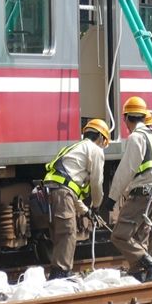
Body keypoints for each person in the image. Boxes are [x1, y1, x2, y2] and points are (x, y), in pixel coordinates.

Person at [99, 96, 152, 282]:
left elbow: (126, 169)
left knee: (120, 236)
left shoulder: (136, 138)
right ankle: (139, 272)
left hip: (141, 195)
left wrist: (112, 198)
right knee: (140, 236)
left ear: (127, 118)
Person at [41, 118, 109, 279]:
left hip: (51, 191)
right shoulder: (95, 150)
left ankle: (59, 269)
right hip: (61, 192)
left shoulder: (74, 148)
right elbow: (97, 183)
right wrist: (96, 206)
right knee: (68, 232)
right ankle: (61, 272)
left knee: (60, 232)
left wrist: (85, 211)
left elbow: (69, 189)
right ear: (100, 137)